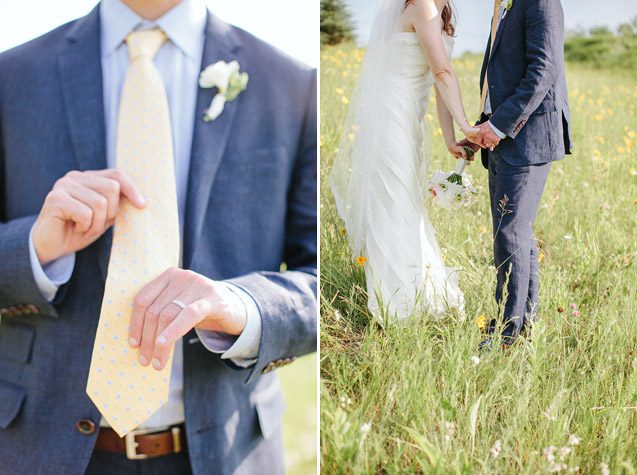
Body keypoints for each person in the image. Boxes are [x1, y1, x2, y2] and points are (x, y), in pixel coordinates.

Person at [0, 0, 317, 473]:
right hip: (39, 450)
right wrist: (34, 247)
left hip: (228, 452)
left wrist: (240, 305)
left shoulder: (292, 83)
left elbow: (322, 281)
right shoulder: (13, 76)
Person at [330, 0, 477, 322]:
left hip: (411, 117)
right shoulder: (422, 7)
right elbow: (442, 71)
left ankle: (419, 290)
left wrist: (452, 137)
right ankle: (398, 304)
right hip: (390, 115)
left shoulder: (442, 14)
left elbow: (440, 81)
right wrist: (467, 124)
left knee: (409, 202)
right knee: (396, 200)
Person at [459, 0, 572, 349]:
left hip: (528, 135)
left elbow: (544, 68)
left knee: (510, 234)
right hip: (501, 135)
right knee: (514, 233)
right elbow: (500, 74)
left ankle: (507, 332)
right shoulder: (504, 5)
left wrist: (500, 124)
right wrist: (483, 126)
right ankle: (526, 324)